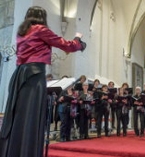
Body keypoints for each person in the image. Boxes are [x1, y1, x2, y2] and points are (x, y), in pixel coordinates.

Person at [0, 6, 86, 157]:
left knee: (18, 116)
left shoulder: (21, 32)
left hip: (19, 75)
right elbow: (67, 45)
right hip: (35, 76)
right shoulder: (40, 29)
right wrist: (78, 40)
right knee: (31, 117)